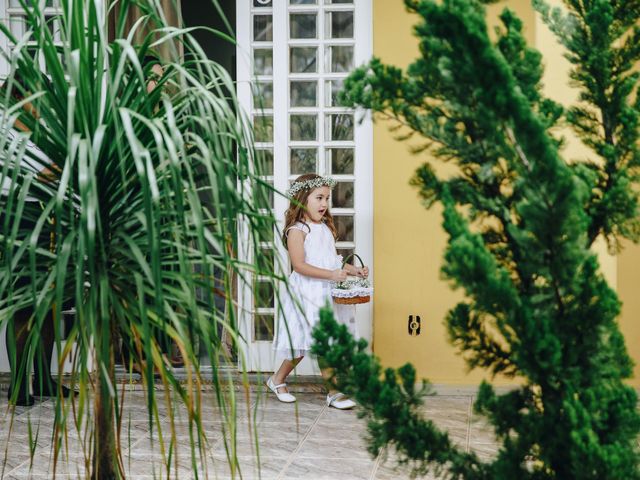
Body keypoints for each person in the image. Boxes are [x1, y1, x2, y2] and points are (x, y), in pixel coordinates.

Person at [0, 77, 74, 406]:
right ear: (19, 96)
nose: (40, 104)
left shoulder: (40, 132)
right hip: (15, 221)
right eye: (35, 97)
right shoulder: (3, 132)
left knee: (47, 303)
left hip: (46, 220)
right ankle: (18, 387)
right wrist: (51, 172)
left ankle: (43, 380)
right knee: (22, 303)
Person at [268, 173, 369, 409]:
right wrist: (332, 275)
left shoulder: (323, 228)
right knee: (311, 344)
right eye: (319, 198)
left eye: (327, 198)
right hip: (307, 293)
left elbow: (332, 261)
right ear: (303, 199)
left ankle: (276, 379)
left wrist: (354, 270)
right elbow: (300, 265)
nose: (324, 204)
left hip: (324, 292)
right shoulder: (297, 230)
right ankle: (333, 392)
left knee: (316, 342)